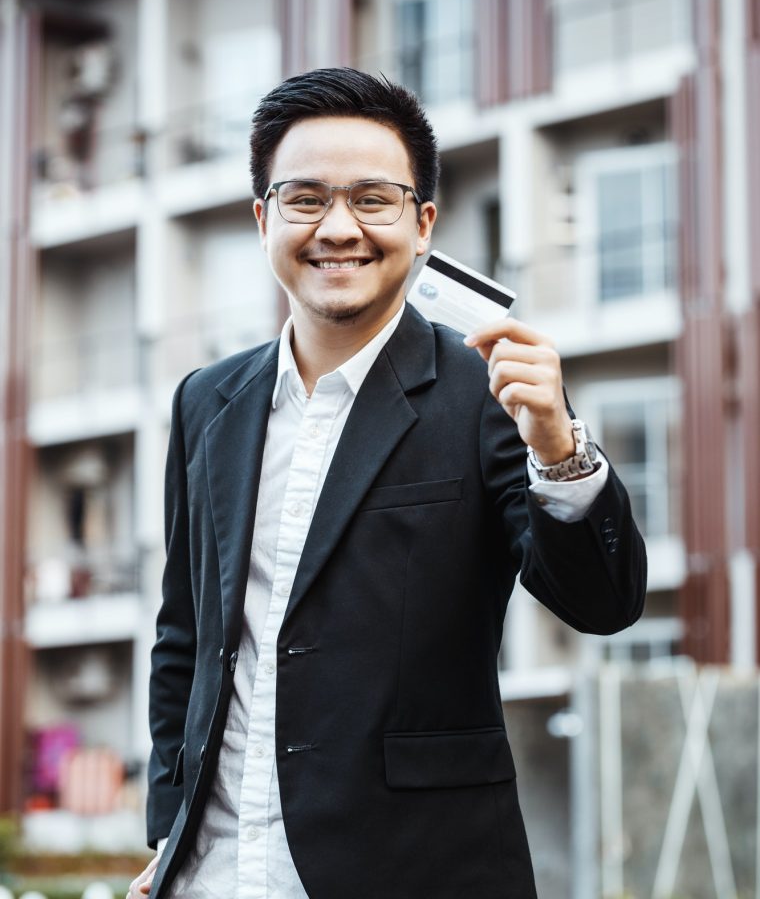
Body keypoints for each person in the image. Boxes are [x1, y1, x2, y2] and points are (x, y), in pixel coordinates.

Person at [130, 68, 646, 899]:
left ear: (422, 221)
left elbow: (605, 604)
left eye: (373, 199)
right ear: (263, 219)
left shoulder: (491, 391)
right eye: (305, 200)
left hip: (414, 870)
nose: (339, 228)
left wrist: (559, 447)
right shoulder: (207, 401)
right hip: (216, 872)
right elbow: (184, 638)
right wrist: (170, 830)